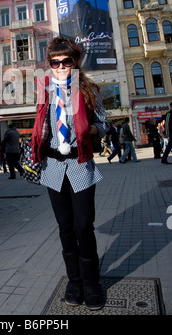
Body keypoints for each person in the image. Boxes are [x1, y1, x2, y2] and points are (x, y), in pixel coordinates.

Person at [30, 36, 109, 311]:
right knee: (65, 228)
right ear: (50, 64)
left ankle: (92, 284)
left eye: (66, 61)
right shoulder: (45, 91)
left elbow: (105, 124)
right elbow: (41, 126)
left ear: (74, 62)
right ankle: (74, 282)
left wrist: (92, 130)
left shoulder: (88, 90)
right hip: (53, 168)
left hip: (80, 166)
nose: (61, 66)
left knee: (83, 226)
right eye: (55, 62)